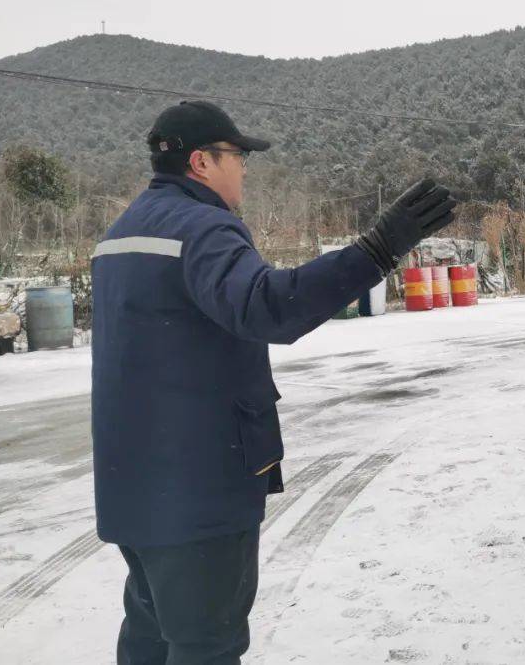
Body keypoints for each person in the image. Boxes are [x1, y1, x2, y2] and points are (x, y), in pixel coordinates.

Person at [91, 100, 457, 664]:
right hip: (197, 488)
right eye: (237, 156)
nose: (243, 169)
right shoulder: (203, 227)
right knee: (204, 644)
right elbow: (267, 307)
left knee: (151, 633)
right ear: (201, 162)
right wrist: (376, 249)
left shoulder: (122, 231)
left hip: (134, 483)